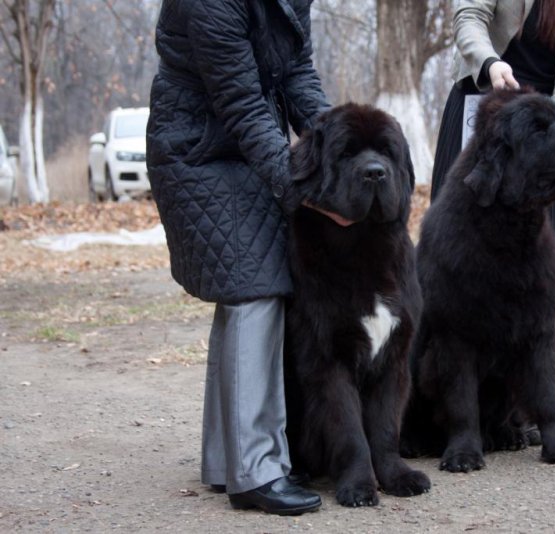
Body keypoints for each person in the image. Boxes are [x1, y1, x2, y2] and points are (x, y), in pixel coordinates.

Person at [146, 0, 344, 516]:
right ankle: (256, 470)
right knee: (255, 285)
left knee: (246, 287)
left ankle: (226, 460)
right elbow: (242, 103)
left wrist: (340, 147)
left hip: (244, 149)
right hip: (196, 151)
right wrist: (306, 192)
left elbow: (298, 70)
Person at [431, 0, 555, 444]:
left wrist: (551, 125)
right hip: (487, 109)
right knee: (456, 266)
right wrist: (490, 63)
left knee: (549, 265)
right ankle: (459, 412)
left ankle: (543, 410)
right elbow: (469, 17)